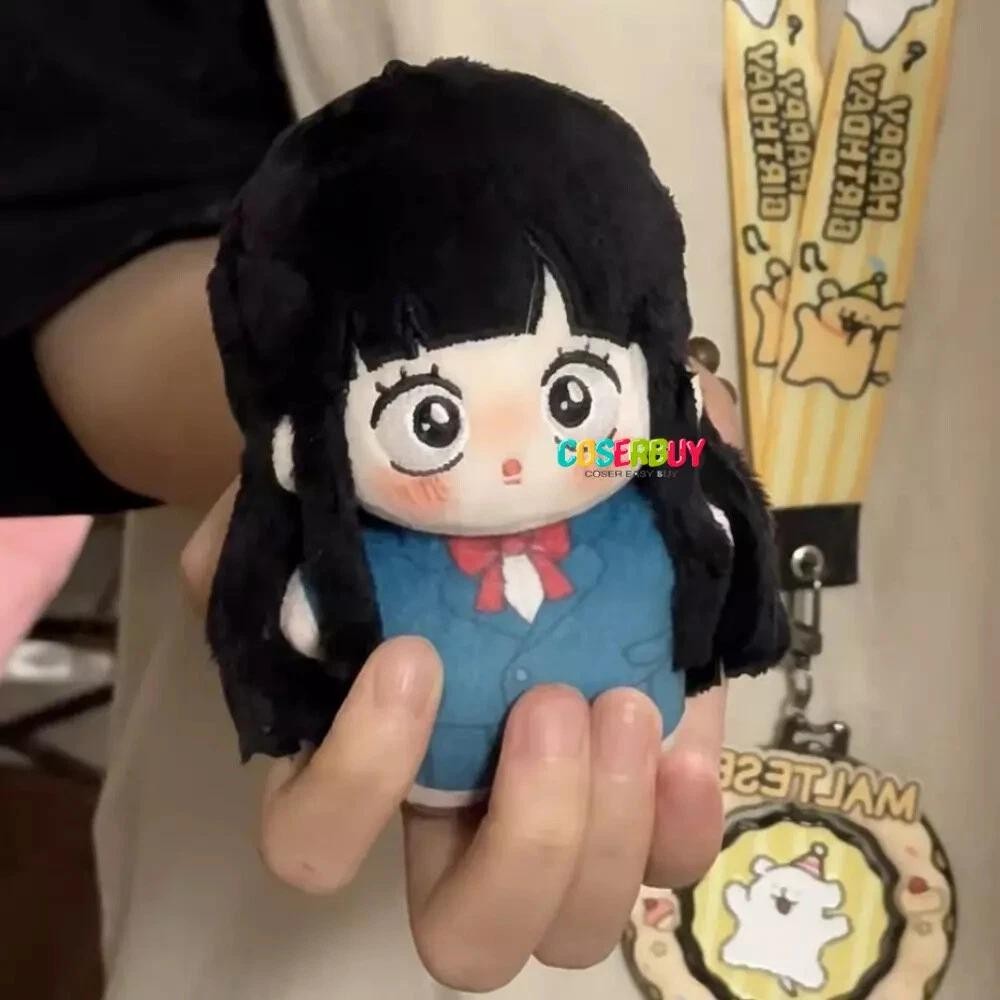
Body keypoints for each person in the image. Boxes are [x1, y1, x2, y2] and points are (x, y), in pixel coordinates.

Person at [2, 2, 996, 998]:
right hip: (312, 910)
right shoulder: (545, 450)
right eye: (436, 417)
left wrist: (686, 434)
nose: (514, 456)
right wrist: (292, 452)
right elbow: (90, 206)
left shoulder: (609, 445)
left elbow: (676, 442)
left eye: (563, 397)